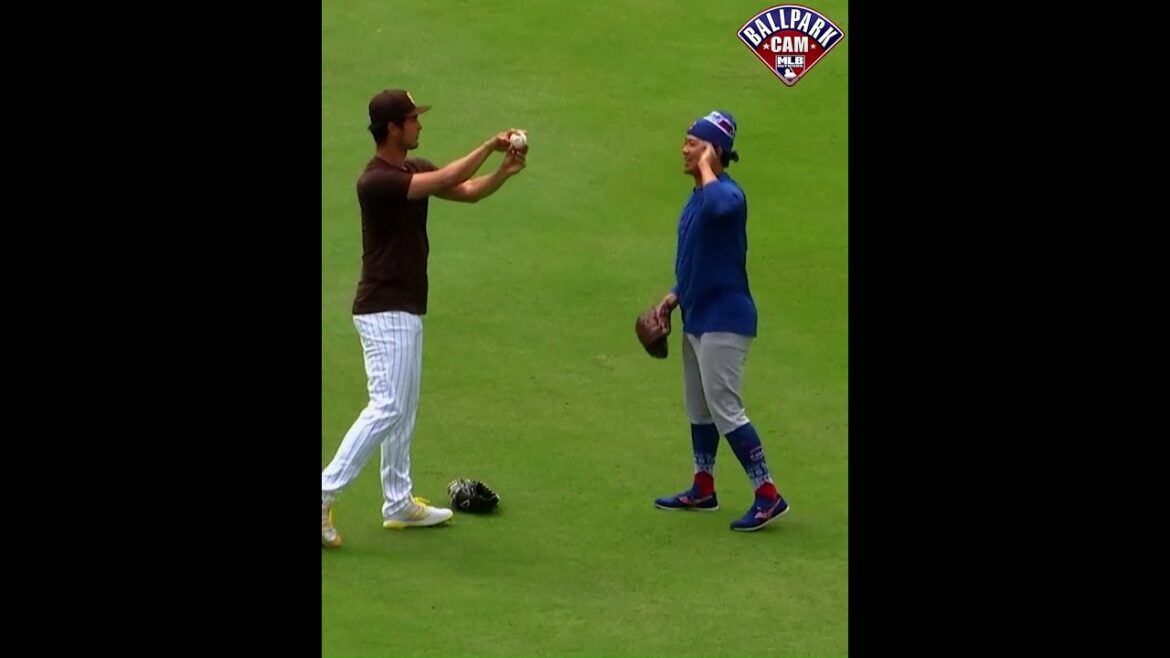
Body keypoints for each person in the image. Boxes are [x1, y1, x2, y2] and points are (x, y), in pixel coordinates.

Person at [322, 89, 527, 548]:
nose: (419, 125)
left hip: (407, 307)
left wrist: (503, 173)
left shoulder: (413, 167)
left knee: (403, 409)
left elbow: (467, 191)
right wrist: (488, 147)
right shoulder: (375, 180)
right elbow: (446, 178)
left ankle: (398, 502)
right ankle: (323, 492)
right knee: (388, 406)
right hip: (382, 308)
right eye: (413, 119)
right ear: (392, 128)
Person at [652, 110, 789, 532]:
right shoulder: (698, 196)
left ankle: (768, 495)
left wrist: (711, 166)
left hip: (725, 319)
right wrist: (674, 296)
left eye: (694, 143)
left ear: (715, 150)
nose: (685, 148)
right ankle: (703, 487)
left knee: (726, 408)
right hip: (697, 315)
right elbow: (698, 259)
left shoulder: (727, 193)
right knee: (699, 407)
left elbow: (722, 205)